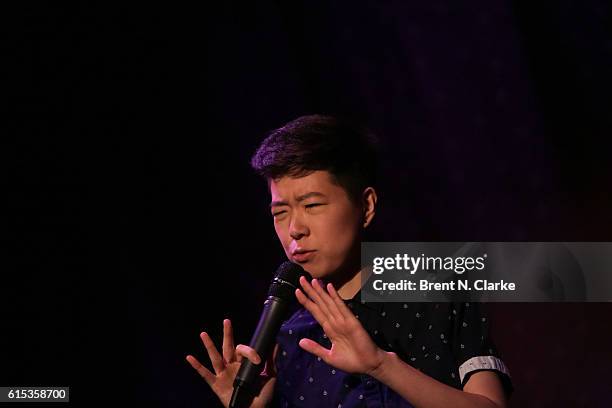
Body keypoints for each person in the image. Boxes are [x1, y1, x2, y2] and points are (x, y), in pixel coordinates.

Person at [186, 115, 513, 407]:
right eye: (280, 212)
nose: (294, 229)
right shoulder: (289, 338)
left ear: (366, 206)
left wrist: (380, 365)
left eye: (312, 205)